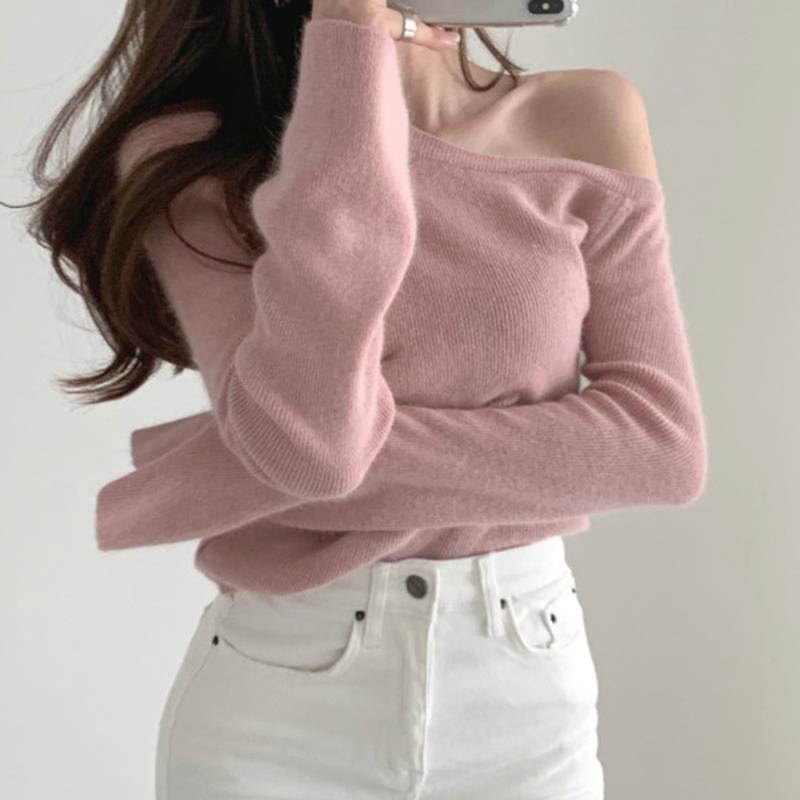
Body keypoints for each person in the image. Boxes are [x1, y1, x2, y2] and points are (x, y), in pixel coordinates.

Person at [17, 0, 708, 797]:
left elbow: (661, 449)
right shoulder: (194, 155)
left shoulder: (585, 115)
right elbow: (313, 451)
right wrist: (350, 46)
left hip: (524, 690)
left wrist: (228, 466)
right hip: (282, 704)